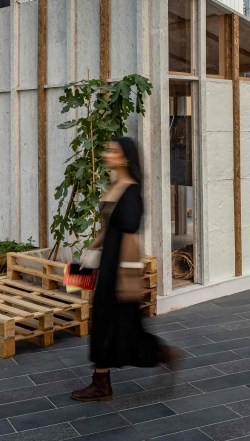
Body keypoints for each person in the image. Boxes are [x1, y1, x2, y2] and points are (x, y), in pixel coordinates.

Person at [72, 137, 175, 402]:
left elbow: (131, 238)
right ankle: (159, 355)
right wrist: (89, 254)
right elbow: (107, 229)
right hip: (108, 263)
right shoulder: (115, 186)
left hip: (120, 268)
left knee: (113, 323)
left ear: (126, 157)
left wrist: (127, 278)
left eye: (113, 150)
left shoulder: (130, 192)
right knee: (118, 325)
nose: (107, 152)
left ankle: (103, 383)